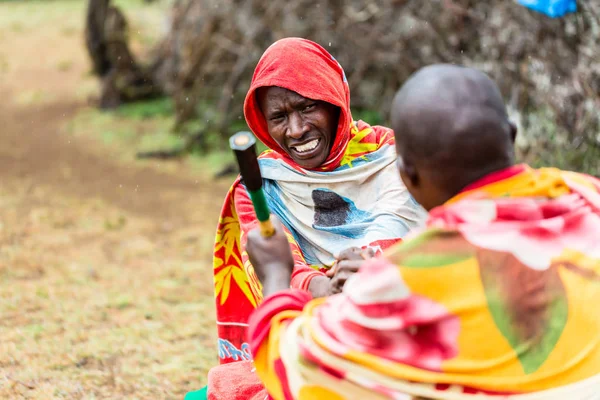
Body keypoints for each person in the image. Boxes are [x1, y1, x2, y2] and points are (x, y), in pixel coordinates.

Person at [244, 64, 600, 399]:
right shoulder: (587, 195)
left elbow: (294, 369)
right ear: (511, 135)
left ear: (406, 175)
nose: (296, 129)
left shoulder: (405, 280)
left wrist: (276, 275)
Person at [213, 37, 426, 364]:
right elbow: (277, 268)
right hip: (313, 336)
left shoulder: (391, 154)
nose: (296, 130)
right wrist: (325, 290)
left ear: (334, 102)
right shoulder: (261, 186)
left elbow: (405, 229)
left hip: (404, 320)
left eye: (307, 107)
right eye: (279, 117)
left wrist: (370, 271)